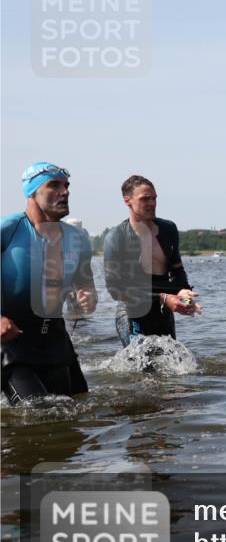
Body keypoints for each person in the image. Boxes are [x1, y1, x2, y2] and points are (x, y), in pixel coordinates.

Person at [1, 162, 97, 404]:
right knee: (39, 414)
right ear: (31, 192)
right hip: (10, 340)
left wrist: (88, 295)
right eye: (54, 185)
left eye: (66, 186)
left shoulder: (77, 238)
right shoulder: (9, 230)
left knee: (77, 410)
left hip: (53, 338)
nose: (64, 192)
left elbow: (85, 282)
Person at [103, 175, 199, 347]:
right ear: (127, 201)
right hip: (133, 313)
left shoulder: (168, 229)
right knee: (141, 368)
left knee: (172, 369)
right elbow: (115, 289)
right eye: (145, 199)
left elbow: (177, 271)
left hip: (163, 310)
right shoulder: (116, 237)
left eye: (154, 198)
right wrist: (163, 298)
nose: (152, 203)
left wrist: (184, 295)